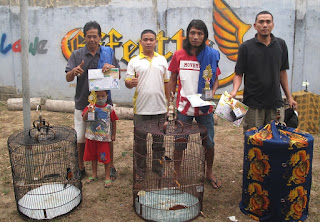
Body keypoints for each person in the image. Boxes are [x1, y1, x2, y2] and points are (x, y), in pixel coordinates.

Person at [168, 19, 221, 189]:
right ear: (188, 34)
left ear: (205, 36)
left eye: (199, 33)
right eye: (192, 33)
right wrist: (171, 99)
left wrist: (211, 94)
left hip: (205, 107)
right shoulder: (178, 55)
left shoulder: (212, 54)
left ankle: (209, 172)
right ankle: (177, 173)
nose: (196, 36)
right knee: (180, 141)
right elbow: (173, 78)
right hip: (184, 107)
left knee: (209, 142)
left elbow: (216, 79)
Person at [65, 21, 119, 179]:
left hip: (104, 104)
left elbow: (118, 77)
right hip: (83, 102)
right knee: (81, 136)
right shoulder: (77, 55)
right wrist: (74, 71)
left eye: (95, 36)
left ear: (100, 37)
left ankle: (111, 166)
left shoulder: (108, 53)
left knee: (106, 135)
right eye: (89, 37)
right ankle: (81, 167)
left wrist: (111, 69)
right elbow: (68, 77)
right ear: (84, 37)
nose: (92, 40)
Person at [230, 11, 297, 132]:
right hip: (253, 104)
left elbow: (282, 72)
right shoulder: (246, 47)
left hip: (275, 103)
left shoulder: (281, 45)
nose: (264, 25)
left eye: (268, 22)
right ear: (255, 26)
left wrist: (289, 97)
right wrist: (234, 91)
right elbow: (239, 73)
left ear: (273, 25)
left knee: (276, 139)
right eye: (261, 22)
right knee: (253, 140)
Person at [125, 29, 170, 178]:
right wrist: (130, 82)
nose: (149, 42)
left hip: (159, 108)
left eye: (151, 39)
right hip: (141, 109)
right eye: (145, 39)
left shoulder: (162, 60)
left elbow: (167, 82)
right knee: (140, 143)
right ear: (141, 42)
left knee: (159, 142)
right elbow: (127, 81)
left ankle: (158, 168)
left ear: (156, 42)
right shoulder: (134, 61)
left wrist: (169, 103)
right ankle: (140, 170)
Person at [82, 90, 118, 188]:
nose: (100, 98)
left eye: (103, 96)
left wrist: (113, 134)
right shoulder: (90, 106)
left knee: (105, 158)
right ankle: (94, 174)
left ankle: (107, 177)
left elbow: (114, 121)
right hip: (91, 137)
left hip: (104, 139)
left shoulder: (109, 108)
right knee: (93, 157)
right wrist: (88, 110)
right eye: (98, 96)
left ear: (107, 95)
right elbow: (84, 118)